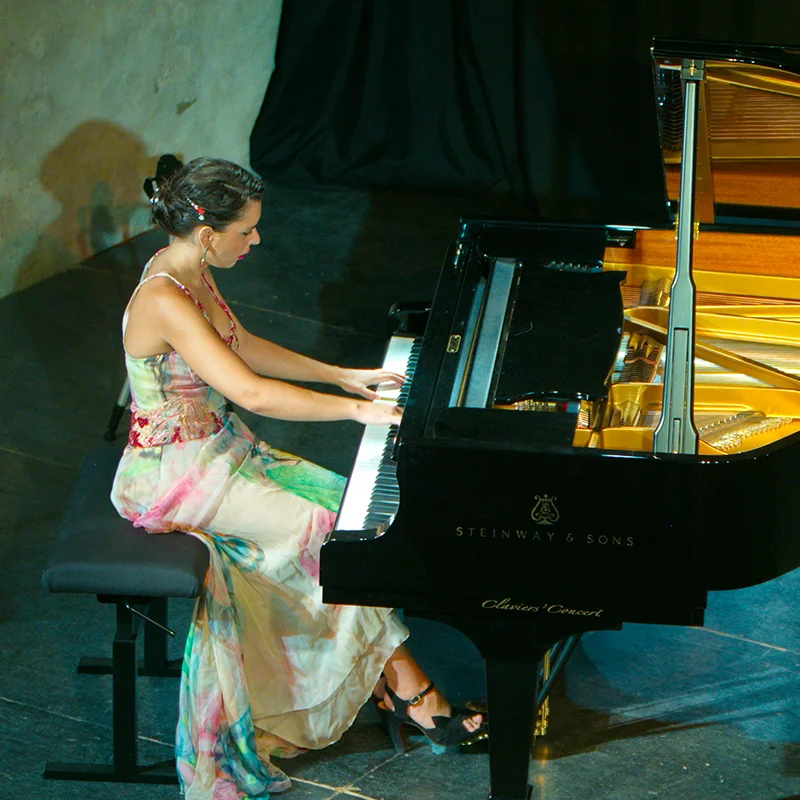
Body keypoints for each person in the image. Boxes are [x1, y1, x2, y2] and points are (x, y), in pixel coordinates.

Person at [111, 157, 486, 799]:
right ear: (208, 234)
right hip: (173, 475)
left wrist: (340, 374)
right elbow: (248, 390)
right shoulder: (163, 296)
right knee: (329, 540)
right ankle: (411, 695)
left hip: (215, 451)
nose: (256, 242)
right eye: (247, 232)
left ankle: (387, 681)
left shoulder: (190, 268)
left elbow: (240, 342)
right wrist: (355, 409)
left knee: (347, 512)